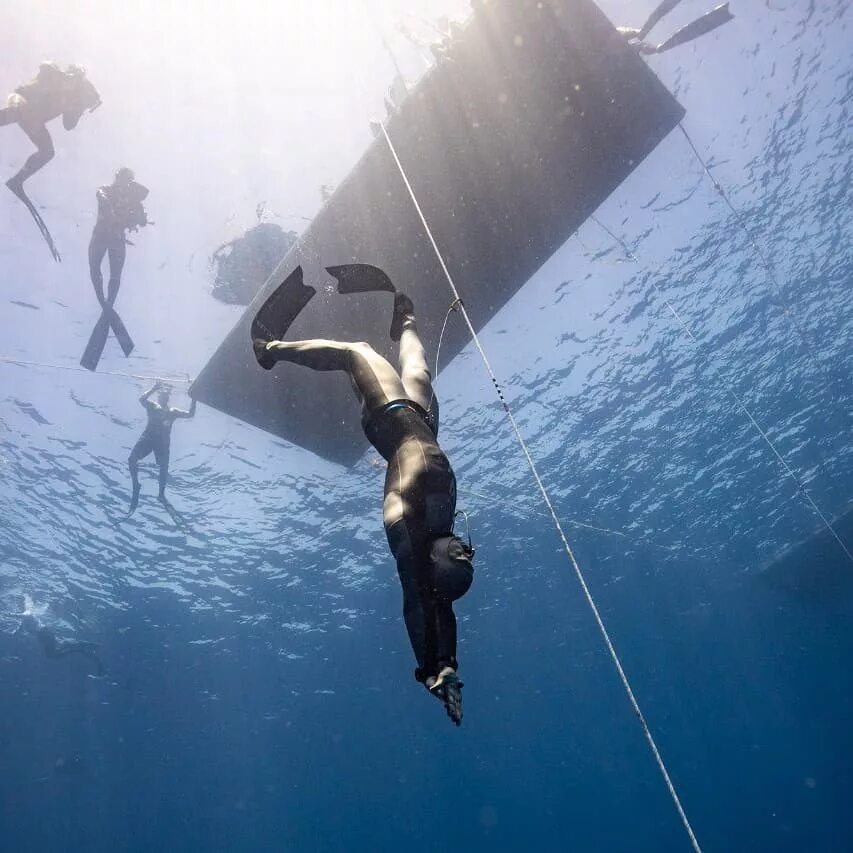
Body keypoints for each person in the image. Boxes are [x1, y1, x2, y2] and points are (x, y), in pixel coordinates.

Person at [253, 282, 474, 725]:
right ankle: (405, 316)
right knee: (420, 370)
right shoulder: (442, 527)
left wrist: (431, 669)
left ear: (436, 562)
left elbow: (417, 600)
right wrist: (448, 664)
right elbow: (442, 608)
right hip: (422, 419)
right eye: (467, 556)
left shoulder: (409, 524)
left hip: (389, 414)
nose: (466, 551)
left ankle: (268, 346)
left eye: (460, 559)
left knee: (356, 350)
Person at [80, 168, 149, 370]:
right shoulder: (105, 190)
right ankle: (106, 308)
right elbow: (100, 195)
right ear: (117, 177)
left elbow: (142, 210)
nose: (124, 182)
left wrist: (138, 216)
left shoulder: (132, 199)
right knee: (95, 271)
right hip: (101, 235)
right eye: (122, 178)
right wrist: (110, 206)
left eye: (128, 180)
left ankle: (107, 307)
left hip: (116, 239)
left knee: (114, 277)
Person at [1, 62, 100, 193]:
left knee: (48, 152)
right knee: (17, 111)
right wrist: (60, 76)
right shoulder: (56, 76)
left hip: (34, 119)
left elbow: (68, 125)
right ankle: (17, 181)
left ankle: (17, 180)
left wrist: (79, 109)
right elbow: (44, 68)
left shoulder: (73, 99)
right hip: (22, 100)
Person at [127, 383, 196, 514]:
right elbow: (141, 399)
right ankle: (136, 484)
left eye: (165, 394)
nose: (163, 396)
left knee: (163, 467)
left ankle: (161, 494)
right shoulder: (152, 406)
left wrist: (194, 396)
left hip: (162, 443)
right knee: (132, 459)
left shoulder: (173, 412)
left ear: (168, 398)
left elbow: (190, 414)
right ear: (159, 397)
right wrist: (153, 388)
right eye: (161, 394)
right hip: (148, 438)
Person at [19, 615, 104, 676]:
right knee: (58, 649)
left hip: (45, 635)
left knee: (53, 654)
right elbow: (36, 629)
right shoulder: (32, 621)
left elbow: (35, 630)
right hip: (46, 634)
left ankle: (78, 647)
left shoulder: (30, 621)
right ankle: (81, 645)